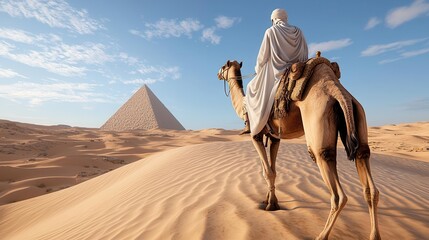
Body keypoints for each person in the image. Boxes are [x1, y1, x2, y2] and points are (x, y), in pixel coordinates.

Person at [241, 8, 308, 136]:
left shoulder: (271, 31)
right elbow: (305, 52)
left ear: (274, 19)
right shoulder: (298, 31)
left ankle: (258, 124)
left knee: (250, 87)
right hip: (299, 69)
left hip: (278, 72)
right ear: (285, 18)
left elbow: (262, 58)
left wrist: (258, 70)